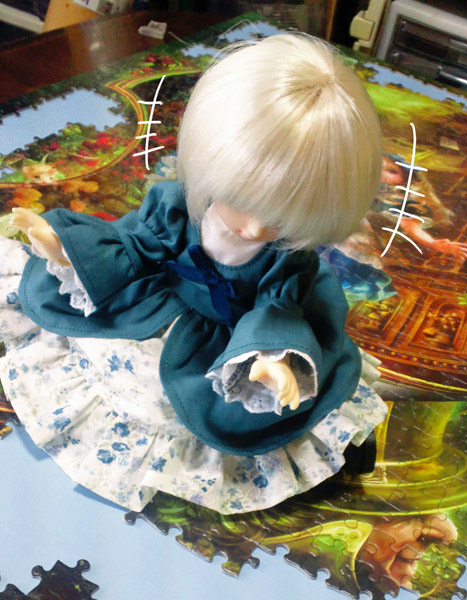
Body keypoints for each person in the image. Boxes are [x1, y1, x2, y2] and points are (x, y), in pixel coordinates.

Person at [0, 33, 387, 514]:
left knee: (232, 413)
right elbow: (136, 246)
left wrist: (269, 359)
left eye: (280, 218)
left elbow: (276, 310)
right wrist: (66, 247)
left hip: (231, 341)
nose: (253, 228)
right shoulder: (177, 208)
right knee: (102, 348)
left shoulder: (286, 263)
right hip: (161, 301)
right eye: (242, 200)